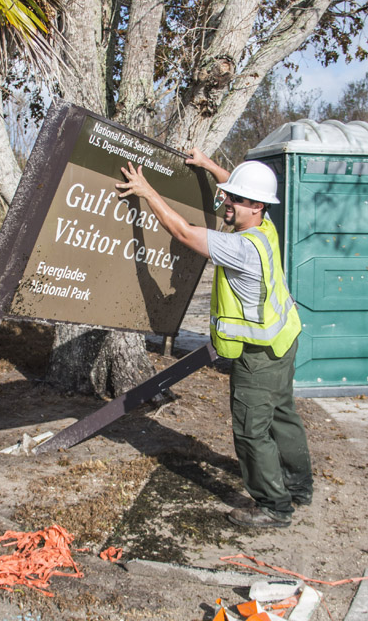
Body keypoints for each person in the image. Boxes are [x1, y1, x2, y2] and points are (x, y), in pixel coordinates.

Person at [116, 149, 312, 528]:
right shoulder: (264, 227)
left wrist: (145, 190)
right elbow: (244, 192)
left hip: (259, 355)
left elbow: (183, 232)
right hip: (284, 341)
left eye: (234, 199)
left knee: (251, 429)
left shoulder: (240, 247)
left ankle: (274, 506)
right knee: (282, 416)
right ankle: (297, 485)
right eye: (228, 194)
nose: (226, 201)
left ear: (255, 206)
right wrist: (209, 167)